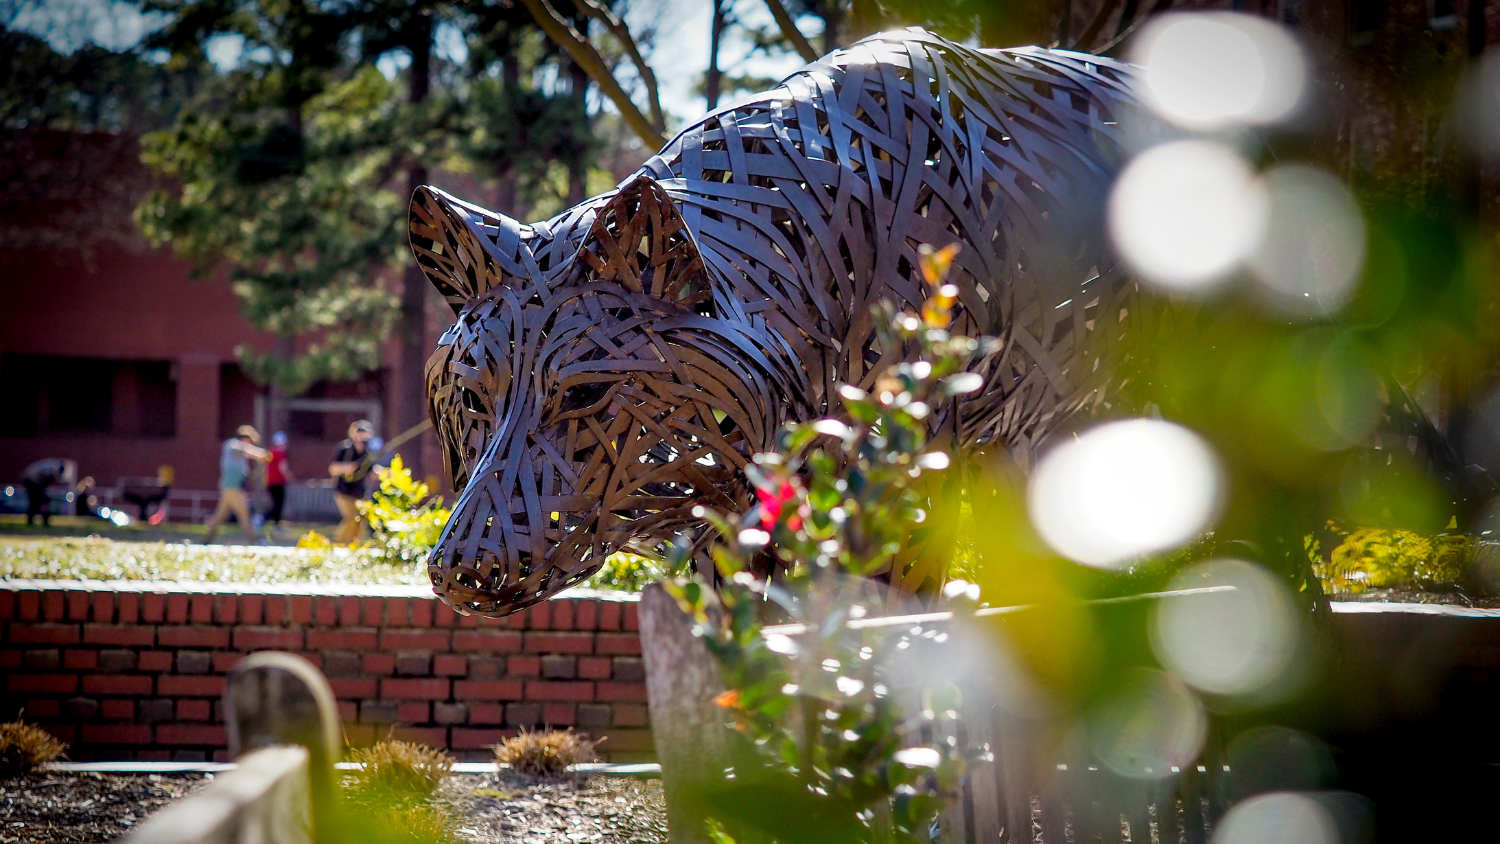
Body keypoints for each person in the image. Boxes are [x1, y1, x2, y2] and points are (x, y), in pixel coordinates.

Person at [204, 425, 269, 544]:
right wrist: (259, 454)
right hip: (232, 489)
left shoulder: (241, 457)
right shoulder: (231, 444)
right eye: (249, 441)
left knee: (219, 517)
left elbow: (245, 452)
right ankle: (255, 540)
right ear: (245, 438)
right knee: (244, 516)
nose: (250, 444)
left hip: (231, 489)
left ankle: (206, 540)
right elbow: (242, 449)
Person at [328, 419, 378, 544]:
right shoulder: (344, 449)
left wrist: (386, 474)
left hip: (360, 492)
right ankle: (338, 543)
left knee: (361, 520)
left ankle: (354, 544)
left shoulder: (367, 453)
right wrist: (346, 467)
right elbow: (333, 469)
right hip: (344, 491)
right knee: (351, 518)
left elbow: (372, 472)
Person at [21, 458, 77, 526]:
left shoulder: (53, 468)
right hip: (30, 482)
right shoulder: (48, 470)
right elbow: (40, 481)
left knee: (41, 501)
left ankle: (40, 520)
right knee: (35, 501)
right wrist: (42, 495)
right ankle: (32, 520)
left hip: (36, 483)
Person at [265, 431, 295, 535]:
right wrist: (289, 477)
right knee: (278, 505)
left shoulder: (271, 452)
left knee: (275, 504)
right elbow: (283, 468)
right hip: (277, 482)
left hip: (270, 482)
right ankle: (264, 521)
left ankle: (274, 525)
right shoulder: (281, 454)